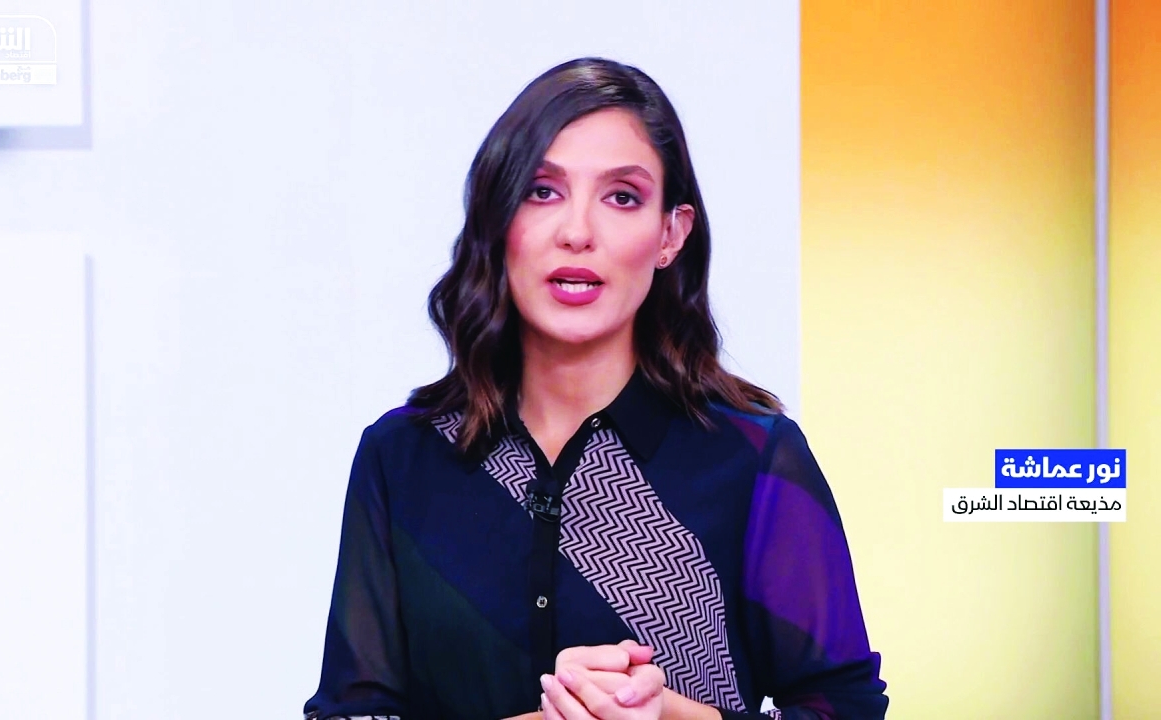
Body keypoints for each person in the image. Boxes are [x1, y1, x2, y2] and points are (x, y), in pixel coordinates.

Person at [303, 57, 888, 720]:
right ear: (498, 219)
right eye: (542, 191)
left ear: (670, 234)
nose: (577, 232)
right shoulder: (402, 457)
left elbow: (847, 710)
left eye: (622, 197)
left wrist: (668, 715)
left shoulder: (754, 458)